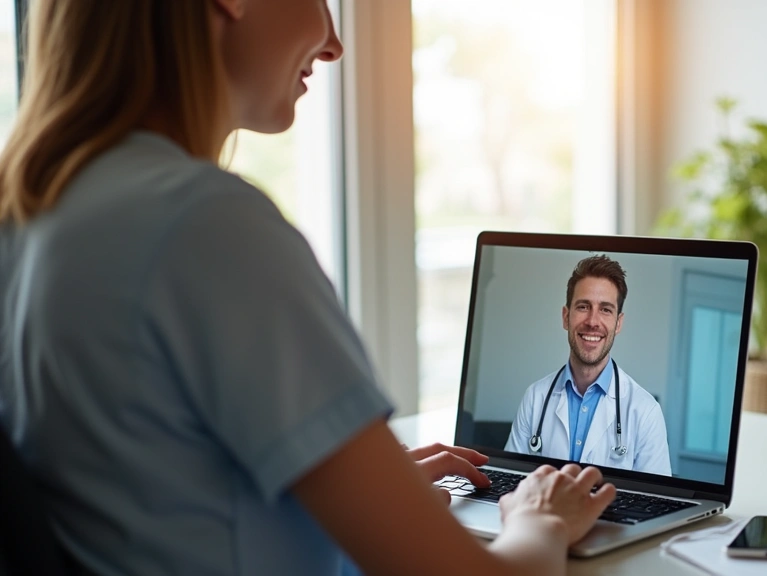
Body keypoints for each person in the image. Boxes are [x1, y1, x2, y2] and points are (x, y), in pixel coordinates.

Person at [0, 1, 617, 575]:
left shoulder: (35, 213)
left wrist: (349, 481)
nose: (333, 43)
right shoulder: (206, 225)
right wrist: (541, 520)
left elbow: (153, 483)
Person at [505, 255, 672, 476]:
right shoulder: (535, 398)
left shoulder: (646, 412)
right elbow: (509, 484)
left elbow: (657, 502)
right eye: (583, 306)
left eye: (605, 309)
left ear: (618, 323)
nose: (593, 322)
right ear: (566, 317)